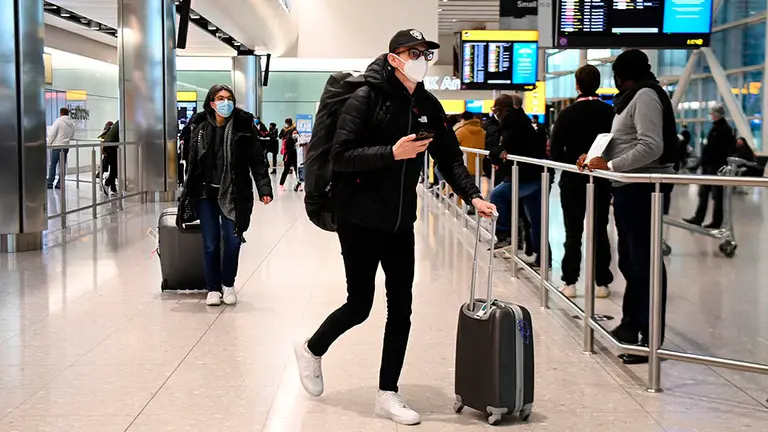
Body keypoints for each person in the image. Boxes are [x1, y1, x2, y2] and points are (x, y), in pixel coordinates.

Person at [294, 28, 495, 426]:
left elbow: (450, 158)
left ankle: (387, 393)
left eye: (425, 53)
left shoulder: (428, 104)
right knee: (359, 305)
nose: (421, 59)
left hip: (401, 222)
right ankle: (311, 349)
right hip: (359, 219)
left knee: (401, 308)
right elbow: (341, 156)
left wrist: (473, 196)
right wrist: (392, 152)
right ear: (394, 58)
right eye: (413, 52)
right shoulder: (365, 99)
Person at [581, 49, 674, 365]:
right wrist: (596, 158)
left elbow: (651, 146)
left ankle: (650, 338)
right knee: (631, 262)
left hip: (643, 189)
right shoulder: (630, 98)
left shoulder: (645, 95)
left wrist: (610, 165)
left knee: (645, 263)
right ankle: (631, 324)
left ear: (623, 75)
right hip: (627, 188)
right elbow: (626, 140)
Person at [176, 84, 273, 306]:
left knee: (233, 241)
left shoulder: (243, 125)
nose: (225, 102)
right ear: (211, 103)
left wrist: (264, 188)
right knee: (210, 243)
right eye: (220, 98)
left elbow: (257, 160)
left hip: (233, 193)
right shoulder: (199, 126)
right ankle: (213, 289)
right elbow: (190, 160)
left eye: (229, 98)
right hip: (205, 193)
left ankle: (228, 284)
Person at [550, 64, 614, 298]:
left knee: (573, 232)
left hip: (573, 180)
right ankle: (601, 283)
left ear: (577, 86)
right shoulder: (610, 113)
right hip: (602, 179)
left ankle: (570, 282)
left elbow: (555, 151)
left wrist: (573, 160)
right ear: (599, 84)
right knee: (600, 230)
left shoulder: (567, 114)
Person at [489, 93, 550, 268]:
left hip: (524, 177)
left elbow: (503, 151)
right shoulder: (522, 122)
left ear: (502, 109)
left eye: (496, 109)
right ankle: (543, 258)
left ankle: (504, 235)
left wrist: (498, 152)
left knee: (497, 195)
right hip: (537, 175)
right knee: (536, 219)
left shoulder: (511, 125)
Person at [684, 105, 736, 229]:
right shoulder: (716, 128)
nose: (710, 115)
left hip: (716, 166)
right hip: (709, 165)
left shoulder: (724, 129)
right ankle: (698, 217)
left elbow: (718, 149)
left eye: (711, 113)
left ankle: (716, 221)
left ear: (716, 114)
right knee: (703, 193)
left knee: (717, 195)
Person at [47, 107, 76, 189]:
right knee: (62, 165)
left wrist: (49, 143)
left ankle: (50, 182)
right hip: (66, 146)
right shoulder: (71, 123)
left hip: (57, 146)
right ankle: (60, 183)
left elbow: (52, 134)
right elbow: (72, 135)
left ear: (61, 113)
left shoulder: (58, 121)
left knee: (53, 164)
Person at [455, 111, 485, 177]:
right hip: (479, 165)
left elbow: (452, 144)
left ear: (462, 119)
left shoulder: (461, 131)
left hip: (464, 166)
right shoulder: (482, 131)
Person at [101, 120, 120, 196]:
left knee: (113, 168)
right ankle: (107, 183)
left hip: (109, 146)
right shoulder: (123, 123)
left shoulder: (119, 122)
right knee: (115, 168)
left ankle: (113, 189)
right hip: (112, 147)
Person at [279, 118, 298, 190]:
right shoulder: (284, 130)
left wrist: (295, 136)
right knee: (286, 169)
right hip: (287, 153)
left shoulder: (294, 129)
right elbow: (280, 136)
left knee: (296, 169)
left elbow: (297, 138)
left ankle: (298, 184)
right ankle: (281, 184)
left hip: (294, 152)